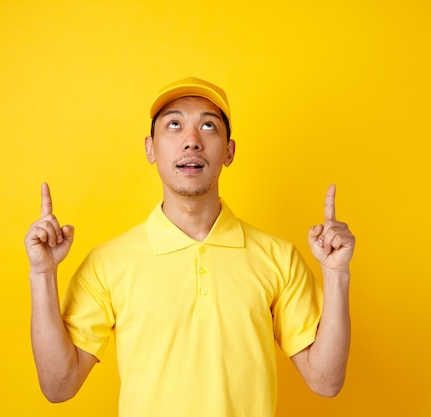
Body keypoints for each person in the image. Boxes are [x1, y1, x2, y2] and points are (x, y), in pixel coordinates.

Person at [24, 77, 355, 417]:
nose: (192, 141)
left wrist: (336, 273)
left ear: (229, 151)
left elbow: (325, 381)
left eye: (208, 126)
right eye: (174, 124)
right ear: (150, 148)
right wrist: (42, 273)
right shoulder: (107, 262)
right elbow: (59, 387)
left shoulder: (278, 258)